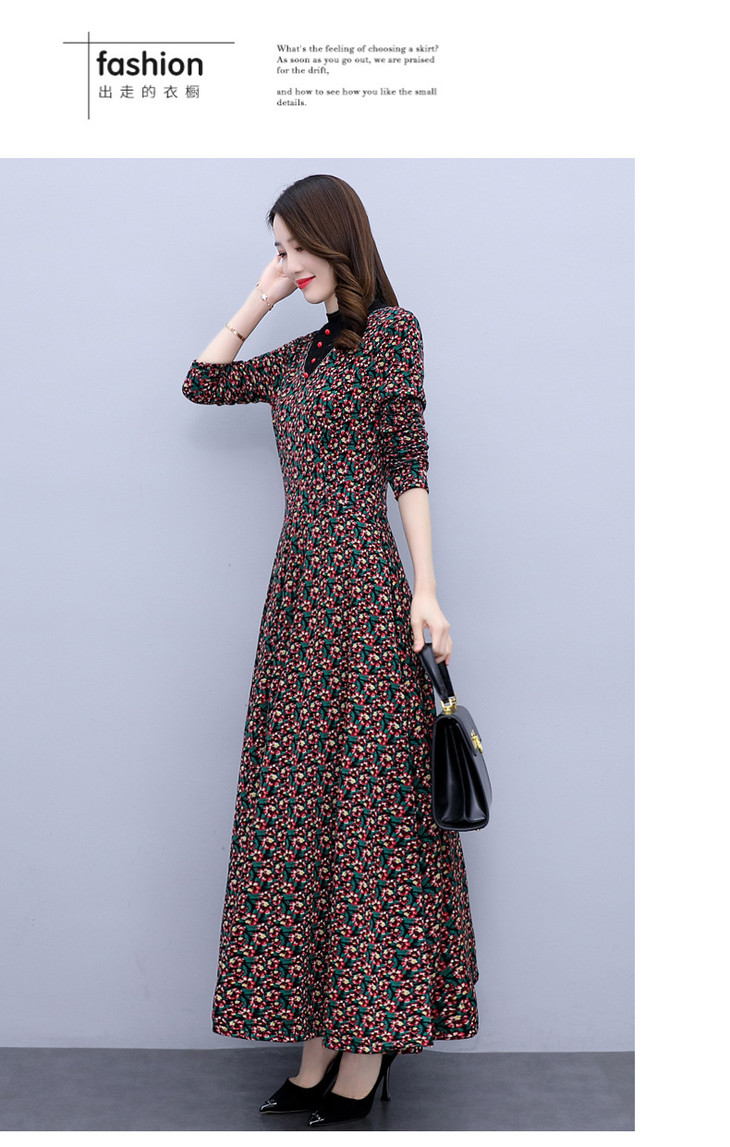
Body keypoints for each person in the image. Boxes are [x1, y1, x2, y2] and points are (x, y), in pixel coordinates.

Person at [182, 174, 479, 1127]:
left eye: (290, 248)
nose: (283, 263)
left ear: (331, 238)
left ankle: (365, 1047)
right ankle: (318, 1042)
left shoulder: (392, 332)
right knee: (302, 814)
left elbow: (408, 462)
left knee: (369, 821)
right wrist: (262, 294)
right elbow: (201, 381)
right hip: (298, 598)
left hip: (363, 590)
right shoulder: (300, 356)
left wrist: (426, 589)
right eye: (276, 250)